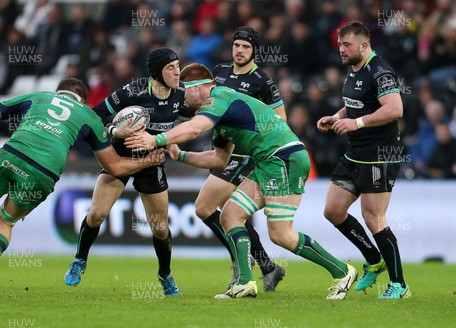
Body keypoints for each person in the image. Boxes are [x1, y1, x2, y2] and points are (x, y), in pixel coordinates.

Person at [0, 78, 164, 296]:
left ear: (57, 92)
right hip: (43, 172)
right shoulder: (88, 117)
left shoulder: (38, 97)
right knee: (5, 222)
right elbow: (116, 168)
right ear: (82, 100)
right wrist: (148, 159)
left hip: (11, 155)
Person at [126, 63, 358, 300]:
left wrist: (156, 140)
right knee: (230, 215)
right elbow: (219, 159)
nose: (182, 100)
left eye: (184, 91)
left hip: (283, 159)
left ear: (199, 88)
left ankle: (342, 271)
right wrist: (180, 155)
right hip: (269, 162)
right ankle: (245, 283)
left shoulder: (219, 98)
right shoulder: (220, 117)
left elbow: (195, 129)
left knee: (280, 234)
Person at [63, 48, 187, 296]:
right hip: (119, 159)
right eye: (171, 67)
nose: (177, 72)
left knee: (160, 228)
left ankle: (165, 274)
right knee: (97, 214)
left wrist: (172, 140)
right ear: (157, 72)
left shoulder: (181, 95)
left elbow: (200, 120)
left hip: (151, 162)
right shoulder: (133, 91)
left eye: (177, 65)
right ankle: (79, 260)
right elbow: (94, 114)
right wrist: (113, 131)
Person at [316, 21, 410, 299]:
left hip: (379, 154)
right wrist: (337, 117)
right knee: (333, 210)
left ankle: (399, 285)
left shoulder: (380, 71)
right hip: (355, 153)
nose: (341, 49)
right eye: (339, 45)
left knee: (374, 218)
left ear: (364, 45)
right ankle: (373, 258)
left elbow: (395, 109)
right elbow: (356, 102)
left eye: (346, 45)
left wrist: (355, 124)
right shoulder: (354, 68)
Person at [197, 26, 286, 291]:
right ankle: (268, 267)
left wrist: (254, 136)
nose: (240, 50)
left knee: (204, 208)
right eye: (237, 45)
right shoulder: (220, 73)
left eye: (246, 47)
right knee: (235, 217)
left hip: (245, 155)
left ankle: (241, 263)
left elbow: (281, 119)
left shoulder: (262, 81)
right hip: (222, 152)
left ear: (254, 51)